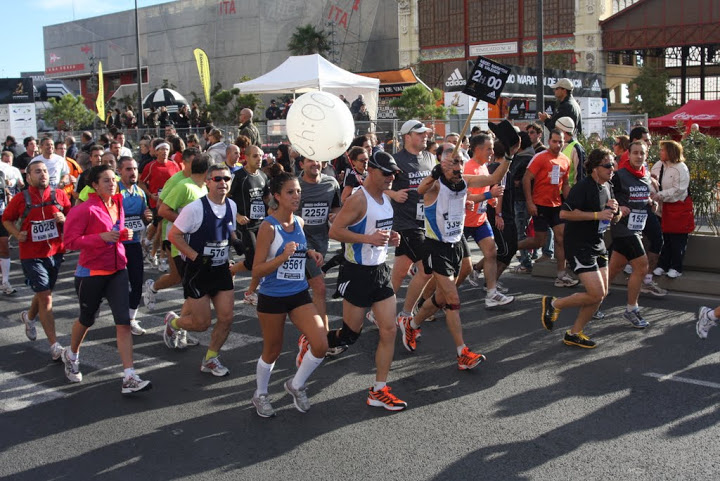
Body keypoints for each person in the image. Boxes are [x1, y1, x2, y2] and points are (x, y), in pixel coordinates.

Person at [401, 142, 516, 368]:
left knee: (446, 294)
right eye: (454, 162)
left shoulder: (465, 181)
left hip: (457, 242)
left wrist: (510, 156)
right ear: (442, 165)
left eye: (461, 162)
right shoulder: (435, 186)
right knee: (453, 301)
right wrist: (435, 174)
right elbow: (420, 190)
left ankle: (412, 324)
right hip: (437, 245)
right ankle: (462, 353)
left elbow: (493, 178)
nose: (459, 166)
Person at [326, 151, 408, 411]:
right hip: (357, 272)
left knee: (390, 329)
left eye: (394, 174)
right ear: (371, 171)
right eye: (387, 173)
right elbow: (335, 230)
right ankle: (315, 341)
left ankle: (379, 389)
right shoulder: (358, 199)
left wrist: (392, 237)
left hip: (380, 270)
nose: (391, 178)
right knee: (350, 334)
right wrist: (368, 240)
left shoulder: (386, 199)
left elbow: (379, 230)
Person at [62, 164, 152, 393]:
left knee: (123, 321)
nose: (112, 183)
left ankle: (129, 376)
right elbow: (70, 242)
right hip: (91, 273)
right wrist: (100, 237)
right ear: (94, 185)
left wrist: (123, 235)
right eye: (106, 180)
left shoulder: (119, 203)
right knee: (87, 320)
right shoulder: (85, 209)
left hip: (118, 270)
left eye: (113, 179)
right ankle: (71, 355)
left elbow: (115, 233)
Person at [251, 172, 328, 417]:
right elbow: (257, 268)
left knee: (321, 343)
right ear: (276, 196)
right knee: (272, 350)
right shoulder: (268, 227)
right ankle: (260, 394)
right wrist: (283, 257)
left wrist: (309, 253)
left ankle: (295, 384)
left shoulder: (300, 223)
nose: (297, 196)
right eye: (290, 192)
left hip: (298, 294)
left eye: (298, 192)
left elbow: (297, 248)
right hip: (273, 296)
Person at [540, 148, 621, 348]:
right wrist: (597, 215)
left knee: (600, 295)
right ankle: (553, 304)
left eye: (613, 164)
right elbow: (564, 215)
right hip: (579, 245)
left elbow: (608, 217)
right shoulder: (583, 187)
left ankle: (574, 333)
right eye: (608, 165)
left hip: (598, 243)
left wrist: (615, 211)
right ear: (595, 168)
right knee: (595, 293)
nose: (612, 169)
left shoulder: (607, 186)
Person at [165, 164, 240, 377]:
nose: (222, 183)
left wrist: (236, 241)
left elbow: (229, 228)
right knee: (201, 324)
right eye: (217, 179)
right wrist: (196, 257)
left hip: (221, 269)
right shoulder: (194, 208)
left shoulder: (231, 206)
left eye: (226, 178)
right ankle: (173, 322)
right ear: (207, 182)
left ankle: (210, 358)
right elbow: (174, 236)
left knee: (226, 318)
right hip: (198, 272)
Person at [2, 159, 71, 354]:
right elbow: (6, 219)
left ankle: (29, 317)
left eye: (45, 172)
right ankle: (54, 345)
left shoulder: (58, 195)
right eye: (37, 172)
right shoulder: (21, 199)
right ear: (29, 177)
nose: (42, 175)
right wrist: (16, 234)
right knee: (46, 298)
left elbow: (71, 215)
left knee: (44, 292)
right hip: (31, 255)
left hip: (56, 252)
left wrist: (64, 218)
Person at [605, 141, 663, 330]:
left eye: (642, 153)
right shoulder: (619, 176)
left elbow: (640, 196)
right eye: (635, 153)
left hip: (637, 227)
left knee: (614, 269)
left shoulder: (646, 175)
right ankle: (631, 309)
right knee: (642, 266)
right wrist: (616, 207)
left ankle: (593, 300)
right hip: (622, 228)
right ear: (628, 154)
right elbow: (605, 194)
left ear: (646, 155)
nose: (639, 156)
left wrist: (649, 203)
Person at [386, 120, 436, 328]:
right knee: (426, 269)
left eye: (426, 133)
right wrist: (392, 193)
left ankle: (377, 310)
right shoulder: (395, 160)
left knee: (398, 273)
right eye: (420, 134)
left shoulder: (431, 158)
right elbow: (377, 185)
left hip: (426, 222)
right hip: (405, 223)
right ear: (407, 136)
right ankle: (406, 313)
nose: (425, 136)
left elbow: (436, 186)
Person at [517, 129, 578, 287]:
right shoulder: (540, 157)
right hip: (540, 204)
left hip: (556, 205)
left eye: (561, 142)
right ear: (549, 141)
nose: (558, 145)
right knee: (539, 241)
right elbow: (526, 179)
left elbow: (564, 184)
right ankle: (512, 247)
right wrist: (530, 202)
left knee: (561, 238)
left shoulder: (565, 160)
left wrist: (571, 203)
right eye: (555, 141)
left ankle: (561, 275)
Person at [462, 134, 514, 307]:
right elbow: (465, 197)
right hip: (462, 222)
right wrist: (488, 195)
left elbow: (486, 192)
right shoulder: (468, 168)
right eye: (489, 148)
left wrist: (491, 200)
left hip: (480, 220)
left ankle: (491, 293)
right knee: (459, 266)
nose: (492, 152)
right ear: (477, 150)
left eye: (492, 148)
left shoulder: (484, 166)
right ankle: (436, 297)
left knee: (491, 252)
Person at [295, 156, 341, 333]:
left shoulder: (331, 184)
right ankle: (323, 336)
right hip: (302, 245)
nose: (315, 163)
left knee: (303, 290)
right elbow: (274, 211)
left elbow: (336, 208)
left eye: (317, 160)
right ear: (301, 164)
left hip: (322, 243)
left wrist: (335, 216)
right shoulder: (294, 186)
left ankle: (307, 332)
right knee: (320, 288)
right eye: (309, 160)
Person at [117, 157, 154, 335]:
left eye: (134, 169)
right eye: (128, 169)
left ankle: (131, 319)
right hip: (114, 245)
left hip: (133, 245)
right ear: (120, 171)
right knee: (116, 284)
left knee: (137, 282)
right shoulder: (115, 190)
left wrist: (147, 218)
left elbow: (142, 219)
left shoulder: (140, 192)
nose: (133, 173)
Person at [229, 145, 269, 305]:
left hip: (261, 223)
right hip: (245, 225)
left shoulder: (263, 176)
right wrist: (237, 215)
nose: (259, 159)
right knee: (253, 261)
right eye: (255, 156)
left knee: (263, 260)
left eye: (260, 156)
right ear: (246, 157)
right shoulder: (238, 176)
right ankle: (233, 272)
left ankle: (250, 291)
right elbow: (226, 197)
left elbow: (266, 198)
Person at [651, 140, 692, 278]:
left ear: (671, 152)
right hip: (661, 208)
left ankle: (676, 267)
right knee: (664, 238)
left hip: (676, 207)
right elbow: (650, 180)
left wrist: (660, 195)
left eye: (663, 150)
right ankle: (663, 265)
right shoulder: (658, 165)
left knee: (677, 239)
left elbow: (679, 190)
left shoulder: (681, 168)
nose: (660, 152)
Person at [555, 117, 586, 187]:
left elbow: (580, 174)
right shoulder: (559, 145)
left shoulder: (576, 148)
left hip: (569, 192)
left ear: (563, 131)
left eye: (556, 129)